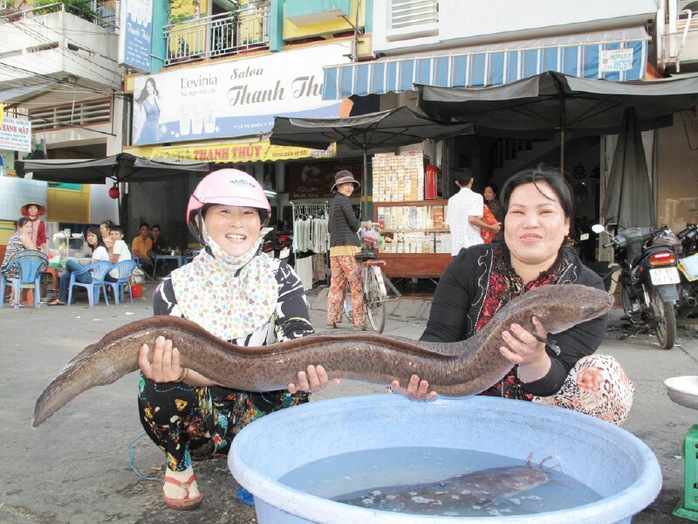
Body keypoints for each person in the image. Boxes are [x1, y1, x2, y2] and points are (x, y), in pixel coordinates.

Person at [136, 169, 332, 510]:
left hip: (262, 410)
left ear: (261, 224)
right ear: (200, 221)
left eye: (248, 214)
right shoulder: (173, 287)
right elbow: (175, 366)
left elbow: (299, 337)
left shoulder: (279, 276)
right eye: (224, 212)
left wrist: (311, 370)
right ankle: (179, 464)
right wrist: (180, 375)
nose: (237, 223)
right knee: (154, 377)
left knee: (298, 379)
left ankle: (261, 462)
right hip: (203, 420)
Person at [392, 165, 634, 426]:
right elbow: (438, 338)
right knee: (404, 374)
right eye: (518, 212)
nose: (531, 222)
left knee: (602, 377)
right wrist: (419, 379)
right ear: (504, 221)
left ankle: (557, 452)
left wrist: (535, 359)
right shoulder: (469, 264)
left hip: (543, 411)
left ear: (566, 225)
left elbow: (558, 375)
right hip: (462, 400)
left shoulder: (588, 291)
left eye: (545, 212)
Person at [326, 170, 372, 330]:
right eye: (346, 184)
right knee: (356, 285)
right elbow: (354, 224)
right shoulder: (344, 201)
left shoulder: (333, 203)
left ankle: (332, 318)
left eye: (351, 184)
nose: (350, 187)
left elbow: (330, 228)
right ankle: (359, 321)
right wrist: (365, 224)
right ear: (338, 185)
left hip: (335, 250)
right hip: (348, 249)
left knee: (337, 285)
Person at [49, 226, 110, 306]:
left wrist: (79, 267)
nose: (90, 238)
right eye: (88, 236)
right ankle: (61, 299)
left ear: (98, 236)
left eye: (92, 236)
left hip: (92, 278)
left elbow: (92, 268)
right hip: (92, 276)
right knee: (66, 274)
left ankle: (62, 298)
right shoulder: (97, 249)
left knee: (69, 262)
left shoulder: (100, 249)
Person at [445, 168, 500, 255]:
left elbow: (449, 223)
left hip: (457, 248)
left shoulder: (452, 200)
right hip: (473, 246)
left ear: (457, 182)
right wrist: (491, 228)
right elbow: (472, 219)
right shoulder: (476, 197)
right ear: (472, 180)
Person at [1, 217, 38, 306]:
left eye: (30, 227)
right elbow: (35, 252)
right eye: (26, 227)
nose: (29, 229)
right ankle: (17, 298)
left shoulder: (13, 237)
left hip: (6, 270)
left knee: (24, 269)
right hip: (16, 270)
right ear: (19, 228)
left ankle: (14, 298)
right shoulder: (23, 236)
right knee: (34, 273)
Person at [134, 77, 162, 144]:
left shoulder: (158, 98)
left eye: (151, 86)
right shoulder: (144, 102)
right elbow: (142, 120)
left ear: (154, 86)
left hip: (157, 129)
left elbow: (162, 110)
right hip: (147, 130)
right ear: (146, 88)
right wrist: (136, 137)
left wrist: (156, 98)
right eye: (148, 87)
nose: (150, 88)